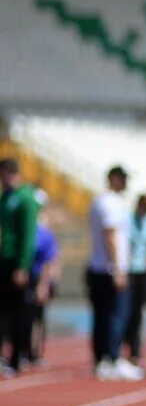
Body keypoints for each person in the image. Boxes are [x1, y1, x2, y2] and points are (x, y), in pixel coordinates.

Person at [86, 166, 143, 381]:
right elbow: (110, 235)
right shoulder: (110, 203)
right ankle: (111, 357)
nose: (126, 183)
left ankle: (102, 359)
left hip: (99, 266)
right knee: (116, 315)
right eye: (123, 179)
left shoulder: (99, 201)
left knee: (102, 315)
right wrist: (118, 269)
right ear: (114, 179)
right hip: (109, 268)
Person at [0, 158, 39, 376]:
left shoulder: (25, 198)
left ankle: (16, 357)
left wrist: (23, 265)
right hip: (3, 261)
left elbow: (28, 235)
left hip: (16, 263)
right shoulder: (5, 197)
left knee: (17, 312)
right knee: (3, 311)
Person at [123, 192, 146, 371]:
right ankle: (122, 349)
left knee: (138, 313)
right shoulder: (128, 219)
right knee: (125, 311)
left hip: (143, 271)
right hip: (129, 270)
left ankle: (135, 352)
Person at [28, 191, 60, 366]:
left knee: (38, 317)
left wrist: (47, 282)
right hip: (30, 274)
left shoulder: (44, 229)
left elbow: (51, 256)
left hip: (40, 275)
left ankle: (35, 351)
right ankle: (26, 350)